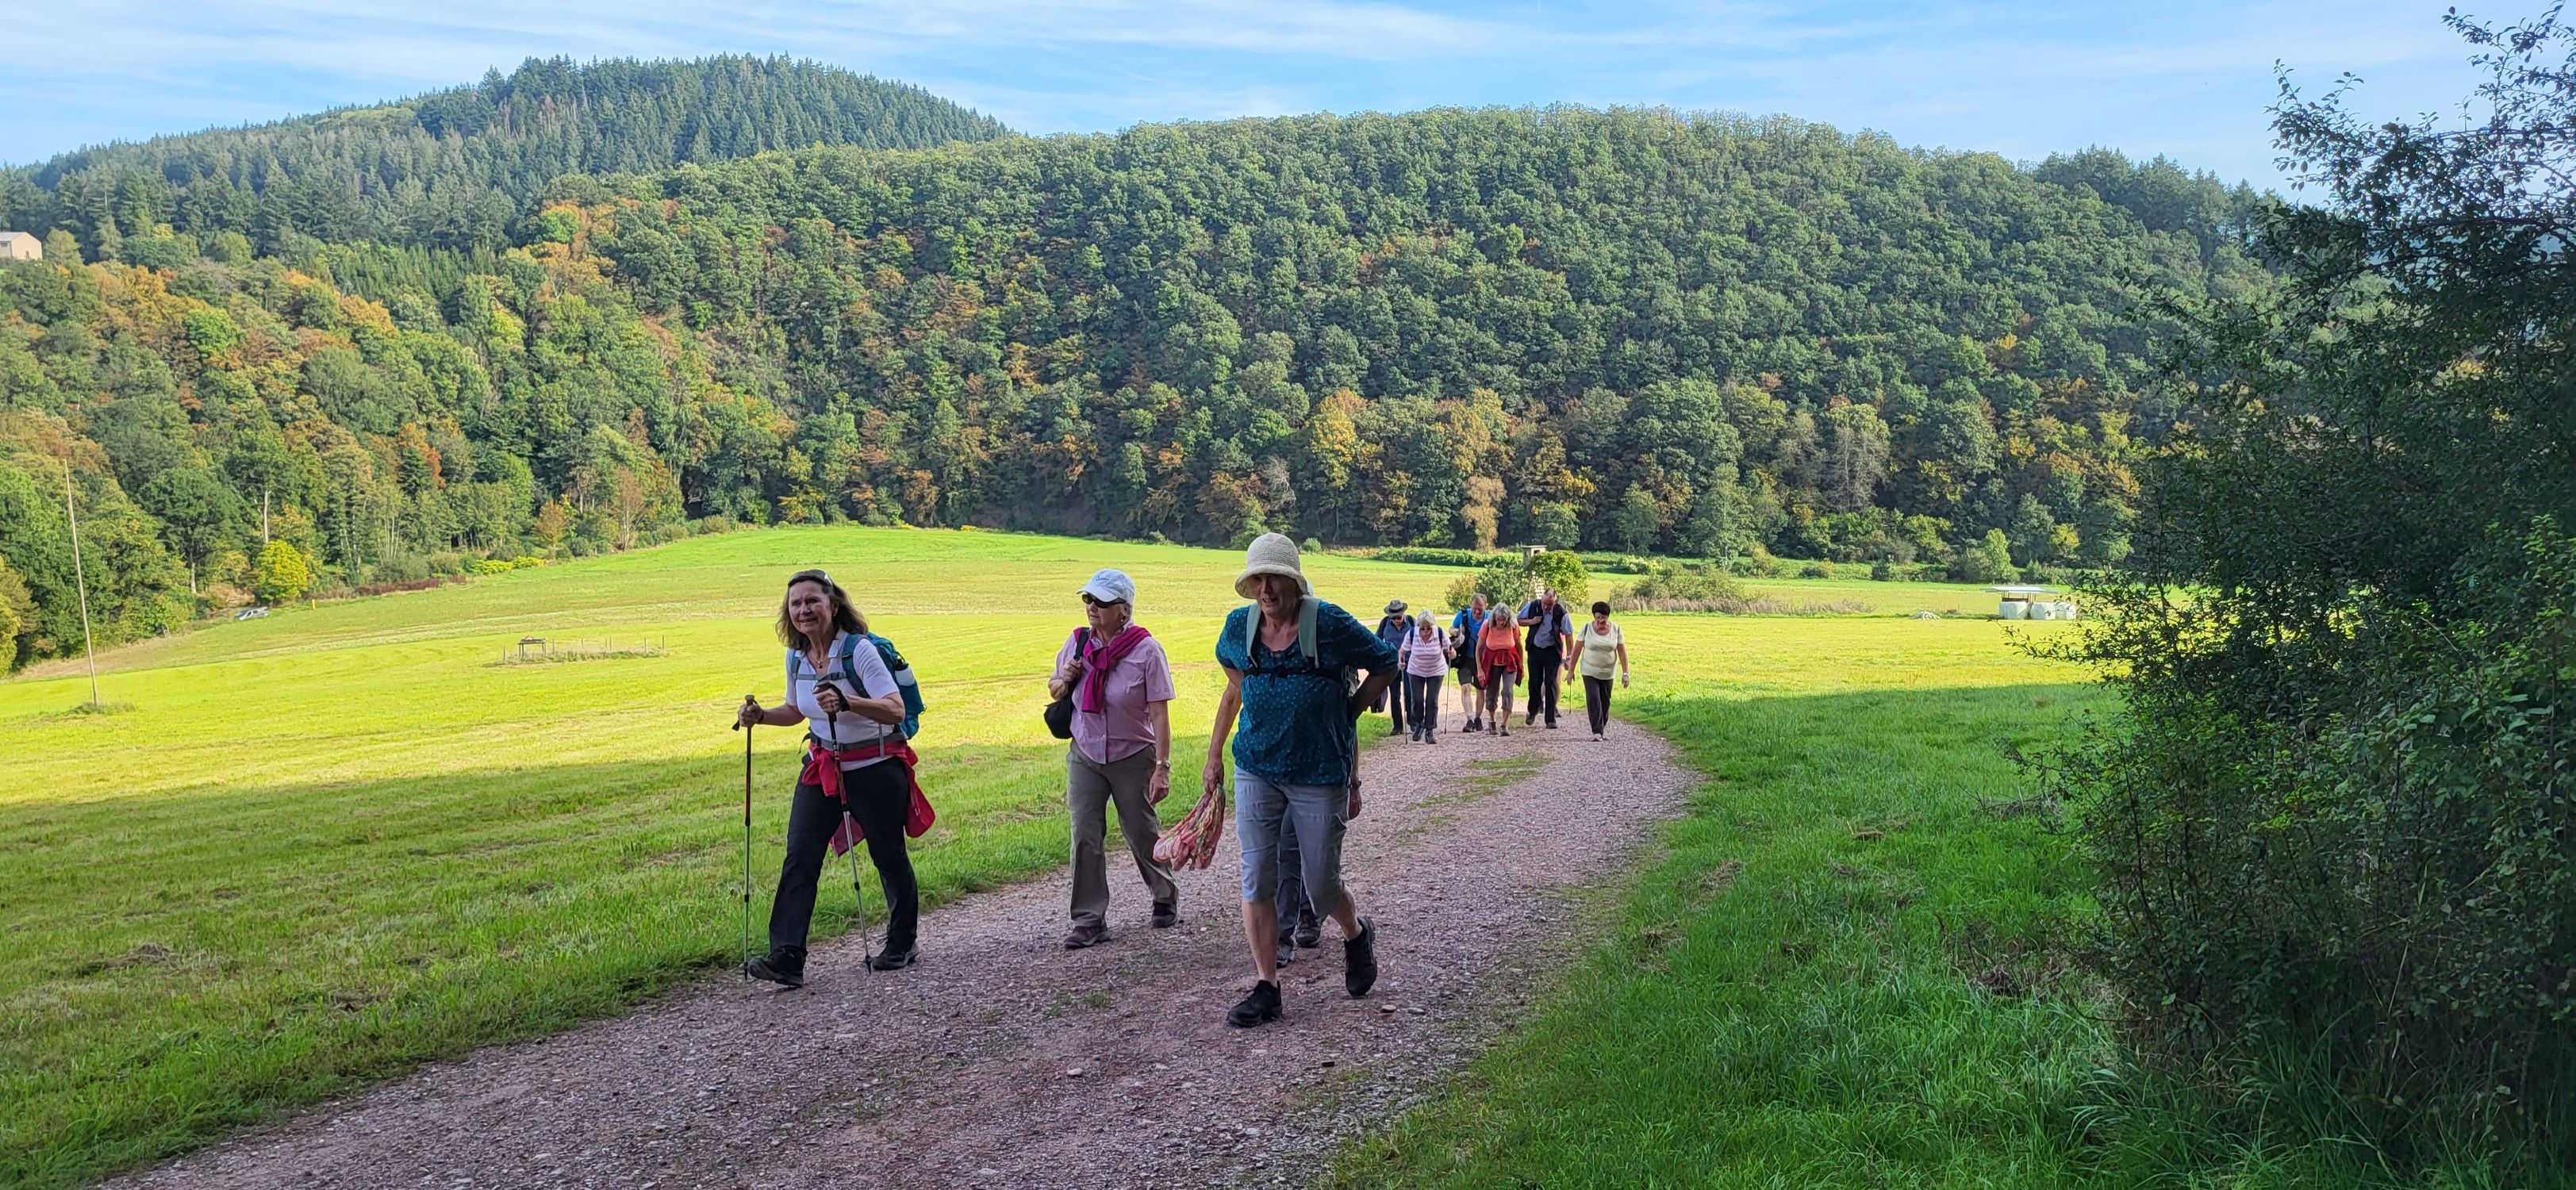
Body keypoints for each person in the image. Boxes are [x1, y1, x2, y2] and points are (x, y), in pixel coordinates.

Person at [1207, 534, 1395, 1027]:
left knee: (1321, 885)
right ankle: (1266, 986)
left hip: (1318, 770)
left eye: (1275, 580)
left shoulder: (1328, 622)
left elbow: (1385, 662)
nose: (1266, 590)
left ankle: (1356, 933)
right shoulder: (1240, 626)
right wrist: (1251, 696)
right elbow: (1227, 662)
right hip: (1256, 766)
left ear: (1294, 582)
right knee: (1257, 876)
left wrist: (1349, 711)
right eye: (1258, 581)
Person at [735, 570, 928, 986]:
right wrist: (761, 717)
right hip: (822, 766)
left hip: (876, 767)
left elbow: (895, 709)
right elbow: (795, 710)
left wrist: (847, 701)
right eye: (796, 604)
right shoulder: (796, 657)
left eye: (812, 601)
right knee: (800, 856)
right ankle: (787, 957)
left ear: (833, 605)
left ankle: (902, 942)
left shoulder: (859, 651)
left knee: (887, 855)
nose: (803, 610)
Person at [1047, 569, 1180, 949]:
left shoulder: (1147, 650)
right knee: (1084, 835)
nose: (1091, 607)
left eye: (1101, 602)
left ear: (1124, 609)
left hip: (1132, 754)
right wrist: (1065, 678)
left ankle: (1164, 894)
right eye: (1087, 599)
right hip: (1085, 752)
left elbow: (1159, 714)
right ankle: (1089, 920)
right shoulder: (1077, 643)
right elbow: (1054, 689)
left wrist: (1162, 767)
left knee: (1140, 830)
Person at [1573, 600, 1631, 740]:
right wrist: (1570, 671)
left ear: (1608, 617)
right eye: (1598, 617)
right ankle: (1597, 731)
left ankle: (1601, 728)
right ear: (1594, 617)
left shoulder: (1616, 629)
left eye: (1603, 618)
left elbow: (1622, 652)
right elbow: (1577, 649)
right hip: (1589, 671)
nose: (1601, 621)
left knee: (1605, 701)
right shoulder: (1586, 628)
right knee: (1594, 699)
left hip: (1608, 673)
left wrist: (1625, 673)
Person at [1518, 589, 1576, 729]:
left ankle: (1550, 719)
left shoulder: (1561, 613)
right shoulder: (1533, 606)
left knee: (1551, 683)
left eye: (1549, 605)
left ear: (1555, 602)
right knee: (1534, 683)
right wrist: (1532, 621)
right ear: (1542, 599)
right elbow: (1518, 620)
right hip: (1535, 649)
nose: (1545, 607)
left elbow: (1569, 636)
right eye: (1544, 603)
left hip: (1552, 651)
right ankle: (1532, 711)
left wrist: (1569, 657)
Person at [1397, 610, 1452, 743]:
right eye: (1423, 628)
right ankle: (1419, 724)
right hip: (1416, 670)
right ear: (1418, 627)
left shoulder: (1439, 633)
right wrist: (1400, 662)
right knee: (1417, 700)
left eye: (1429, 628)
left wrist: (1452, 654)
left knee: (1432, 700)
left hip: (1436, 671)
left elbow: (1450, 649)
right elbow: (1402, 651)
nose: (1426, 631)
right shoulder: (1412, 634)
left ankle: (1429, 731)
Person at [1476, 601, 1524, 736]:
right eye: (1499, 619)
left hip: (1510, 662)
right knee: (1492, 692)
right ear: (1494, 618)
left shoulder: (1513, 626)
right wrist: (1480, 669)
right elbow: (1478, 648)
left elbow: (1519, 646)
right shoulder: (1487, 625)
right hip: (1492, 664)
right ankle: (1492, 721)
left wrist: (1521, 666)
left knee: (1507, 691)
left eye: (1504, 620)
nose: (1501, 622)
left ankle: (1504, 724)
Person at [1371, 599, 1411, 737]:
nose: (1396, 620)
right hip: (1393, 664)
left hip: (1409, 663)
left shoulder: (1412, 622)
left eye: (1398, 617)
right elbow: (1377, 640)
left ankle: (1413, 722)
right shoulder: (1384, 623)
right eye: (1393, 618)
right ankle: (1398, 726)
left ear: (1403, 613)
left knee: (1410, 694)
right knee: (1395, 696)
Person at [1450, 593, 1490, 731]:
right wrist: (1456, 631)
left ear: (1486, 606)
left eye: (1480, 609)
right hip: (1465, 658)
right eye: (1474, 609)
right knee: (1465, 687)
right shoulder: (1462, 615)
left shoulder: (1490, 618)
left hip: (1483, 659)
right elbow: (1452, 628)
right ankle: (1470, 720)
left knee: (1481, 689)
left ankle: (1478, 718)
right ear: (1470, 605)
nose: (1477, 612)